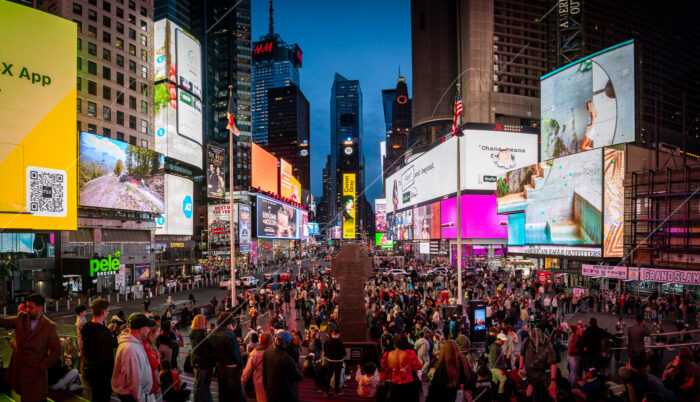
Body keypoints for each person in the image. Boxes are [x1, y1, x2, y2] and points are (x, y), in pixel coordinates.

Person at [0, 293, 61, 402]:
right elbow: (4, 322)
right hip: (21, 373)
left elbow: (56, 352)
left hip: (36, 376)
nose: (27, 310)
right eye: (27, 306)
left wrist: (41, 365)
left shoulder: (49, 327)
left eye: (30, 307)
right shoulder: (21, 318)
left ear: (40, 308)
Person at [111, 313, 156, 402]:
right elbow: (133, 380)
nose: (149, 329)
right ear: (141, 330)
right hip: (132, 396)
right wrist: (141, 398)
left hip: (134, 393)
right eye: (147, 327)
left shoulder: (135, 342)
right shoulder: (130, 349)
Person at [81, 298, 117, 402]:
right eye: (108, 311)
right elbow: (107, 359)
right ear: (104, 312)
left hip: (90, 371)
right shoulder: (105, 334)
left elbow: (93, 342)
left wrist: (107, 330)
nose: (108, 312)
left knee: (95, 396)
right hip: (102, 376)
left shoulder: (87, 327)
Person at [209, 312, 245, 401]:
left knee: (223, 393)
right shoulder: (230, 334)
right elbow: (236, 354)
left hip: (221, 367)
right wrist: (241, 366)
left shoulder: (213, 333)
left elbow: (212, 352)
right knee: (236, 394)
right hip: (232, 369)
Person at [380, 333, 422, 402]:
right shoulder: (410, 353)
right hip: (409, 385)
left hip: (394, 386)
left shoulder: (387, 355)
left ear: (394, 343)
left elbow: (385, 372)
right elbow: (418, 366)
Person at [262, 330, 302, 402]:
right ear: (286, 343)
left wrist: (266, 388)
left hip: (271, 392)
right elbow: (298, 377)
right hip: (285, 394)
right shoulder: (288, 360)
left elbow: (264, 373)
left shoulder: (267, 353)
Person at [189, 314, 216, 402]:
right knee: (202, 386)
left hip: (197, 361)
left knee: (198, 384)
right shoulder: (200, 336)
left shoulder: (193, 334)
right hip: (203, 363)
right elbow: (209, 346)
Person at [242, 332, 272, 402]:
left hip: (259, 379)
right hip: (271, 378)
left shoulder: (254, 353)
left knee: (261, 398)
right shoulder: (273, 351)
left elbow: (248, 369)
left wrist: (243, 380)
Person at [323, 328, 346, 396]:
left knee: (329, 376)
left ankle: (326, 391)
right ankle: (337, 390)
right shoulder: (340, 342)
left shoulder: (327, 341)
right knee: (337, 376)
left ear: (332, 334)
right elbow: (344, 353)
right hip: (338, 362)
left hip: (330, 361)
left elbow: (325, 351)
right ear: (338, 334)